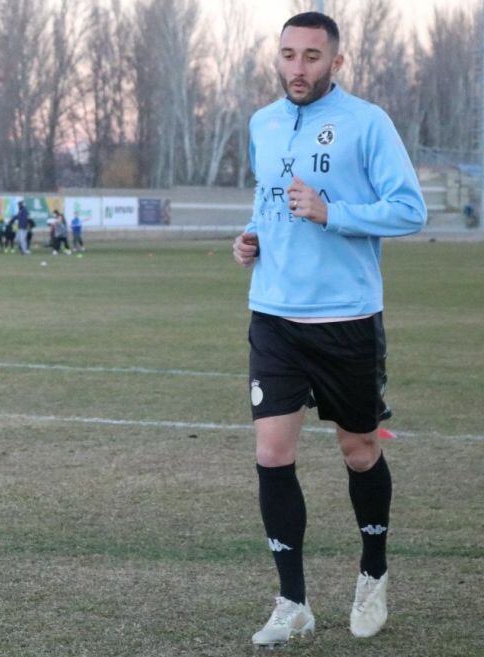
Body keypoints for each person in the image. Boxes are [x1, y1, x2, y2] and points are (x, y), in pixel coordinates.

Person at [232, 12, 426, 647]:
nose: (297, 67)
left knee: (359, 451)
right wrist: (252, 237)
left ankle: (373, 573)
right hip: (274, 316)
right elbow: (270, 198)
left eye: (312, 56)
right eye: (288, 54)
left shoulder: (367, 123)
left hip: (346, 320)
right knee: (271, 454)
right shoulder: (263, 122)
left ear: (335, 63)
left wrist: (331, 212)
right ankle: (293, 602)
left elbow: (408, 210)